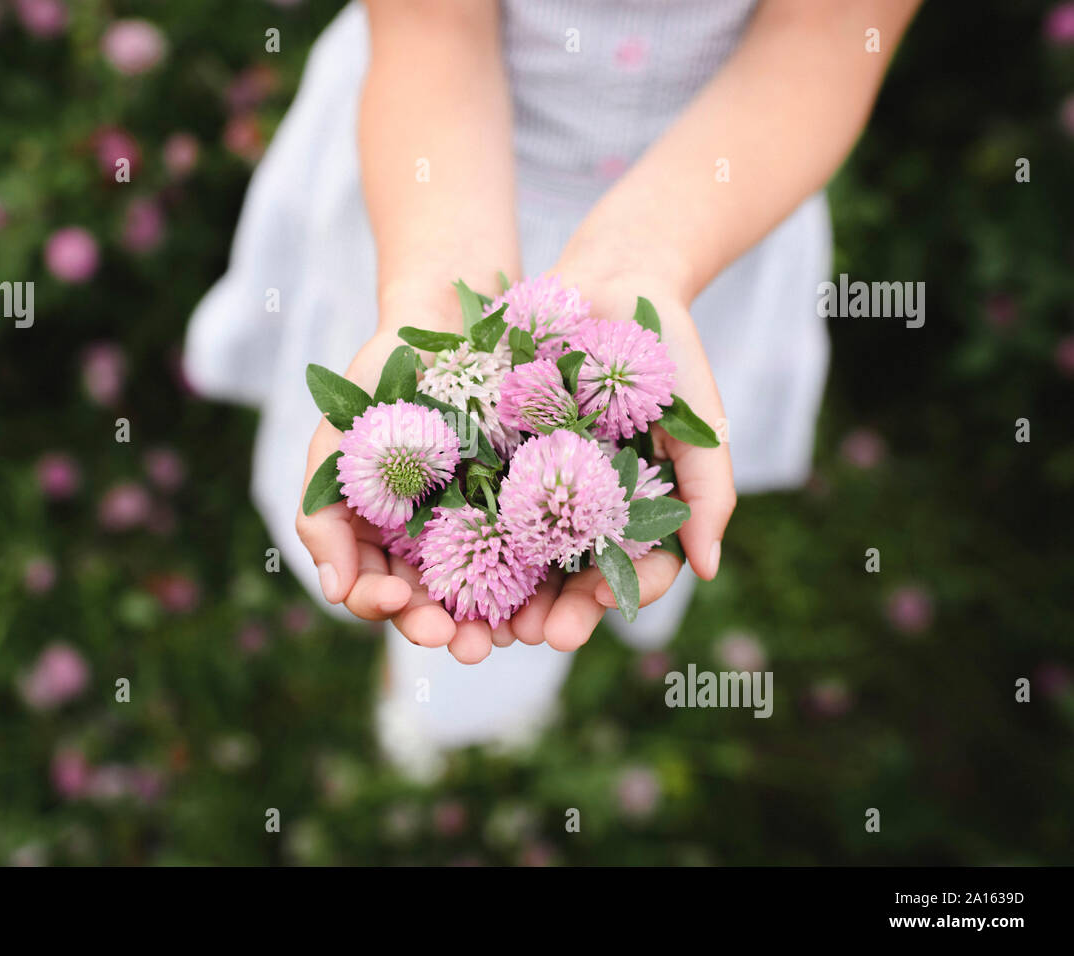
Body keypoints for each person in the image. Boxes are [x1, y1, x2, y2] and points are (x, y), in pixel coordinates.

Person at [185, 0, 919, 773]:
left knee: (559, 568)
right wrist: (434, 286)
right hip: (430, 182)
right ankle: (430, 688)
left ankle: (478, 704)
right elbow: (432, 26)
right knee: (392, 527)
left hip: (707, 211)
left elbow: (830, 37)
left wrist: (643, 269)